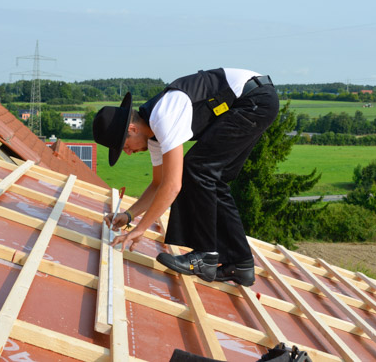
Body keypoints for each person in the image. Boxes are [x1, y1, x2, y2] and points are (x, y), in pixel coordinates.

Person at [93, 68, 279, 286]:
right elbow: (158, 183)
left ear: (132, 129)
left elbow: (173, 185)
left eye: (124, 146)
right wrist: (130, 215)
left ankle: (206, 256)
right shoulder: (153, 136)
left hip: (254, 100)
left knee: (197, 169)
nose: (128, 152)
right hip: (254, 101)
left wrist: (142, 229)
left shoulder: (163, 116)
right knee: (211, 178)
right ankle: (241, 265)